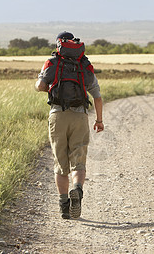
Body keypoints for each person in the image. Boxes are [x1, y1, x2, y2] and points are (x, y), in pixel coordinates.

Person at [35, 31, 104, 219]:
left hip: (57, 115)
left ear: (58, 44)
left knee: (60, 163)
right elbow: (97, 96)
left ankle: (64, 205)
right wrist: (99, 120)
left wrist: (45, 86)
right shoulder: (84, 65)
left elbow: (41, 85)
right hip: (80, 116)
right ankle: (78, 190)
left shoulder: (52, 62)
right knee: (78, 158)